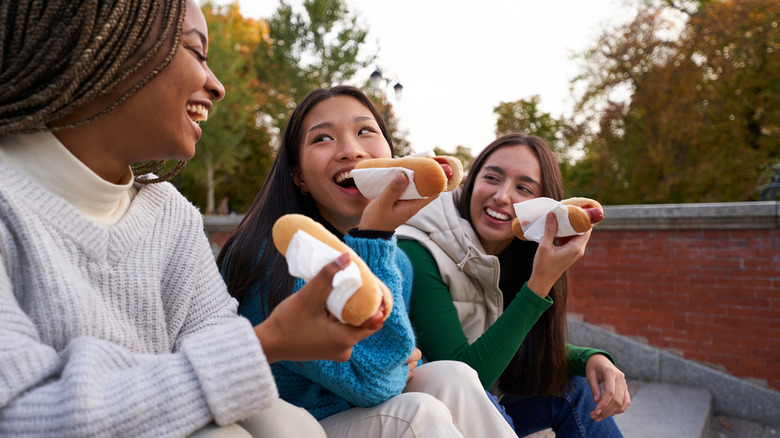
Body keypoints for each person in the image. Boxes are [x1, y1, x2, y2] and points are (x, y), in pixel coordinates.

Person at [0, 1, 386, 437]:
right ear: (101, 42)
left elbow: (216, 344)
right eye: (196, 53)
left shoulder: (168, 214)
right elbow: (19, 419)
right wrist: (271, 341)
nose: (217, 86)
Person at [217, 85, 518, 437]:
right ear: (298, 175)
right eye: (322, 138)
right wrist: (373, 236)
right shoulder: (281, 255)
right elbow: (376, 382)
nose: (350, 150)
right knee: (416, 412)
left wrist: (377, 241)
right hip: (290, 425)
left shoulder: (396, 258)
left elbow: (395, 359)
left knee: (454, 375)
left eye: (365, 131)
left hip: (357, 412)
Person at [397, 133, 631, 437]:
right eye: (492, 177)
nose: (502, 196)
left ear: (544, 205)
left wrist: (589, 358)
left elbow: (516, 343)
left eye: (523, 188)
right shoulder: (417, 247)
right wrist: (539, 285)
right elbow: (464, 380)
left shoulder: (517, 249)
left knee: (576, 389)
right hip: (425, 416)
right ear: (470, 180)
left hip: (479, 403)